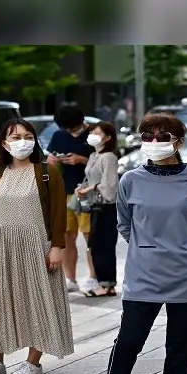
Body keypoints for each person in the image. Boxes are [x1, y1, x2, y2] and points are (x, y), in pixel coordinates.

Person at [87, 113, 187, 374]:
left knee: (180, 342)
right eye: (147, 136)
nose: (154, 142)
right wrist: (145, 251)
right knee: (128, 341)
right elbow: (124, 223)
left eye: (163, 136)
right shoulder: (130, 179)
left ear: (179, 141)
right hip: (143, 274)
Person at [0, 119, 74, 374]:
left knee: (39, 301)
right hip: (2, 245)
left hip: (37, 245)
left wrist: (56, 247)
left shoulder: (46, 172)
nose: (23, 142)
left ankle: (33, 362)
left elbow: (58, 214)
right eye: (16, 137)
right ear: (4, 143)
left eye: (27, 136)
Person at [46, 105, 94, 293]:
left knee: (90, 236)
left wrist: (81, 160)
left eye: (73, 128)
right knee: (67, 235)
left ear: (81, 122)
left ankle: (94, 277)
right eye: (67, 128)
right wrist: (52, 160)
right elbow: (49, 156)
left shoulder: (94, 135)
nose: (70, 132)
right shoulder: (59, 136)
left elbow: (107, 160)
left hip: (87, 191)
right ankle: (70, 278)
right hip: (63, 191)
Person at [76, 121, 120, 297]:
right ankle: (105, 284)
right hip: (95, 205)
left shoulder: (109, 157)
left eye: (99, 133)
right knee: (95, 245)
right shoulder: (95, 156)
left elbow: (110, 185)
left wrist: (91, 189)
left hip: (106, 206)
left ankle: (107, 283)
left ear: (108, 138)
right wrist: (83, 187)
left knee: (104, 245)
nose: (93, 135)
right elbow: (92, 178)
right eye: (92, 131)